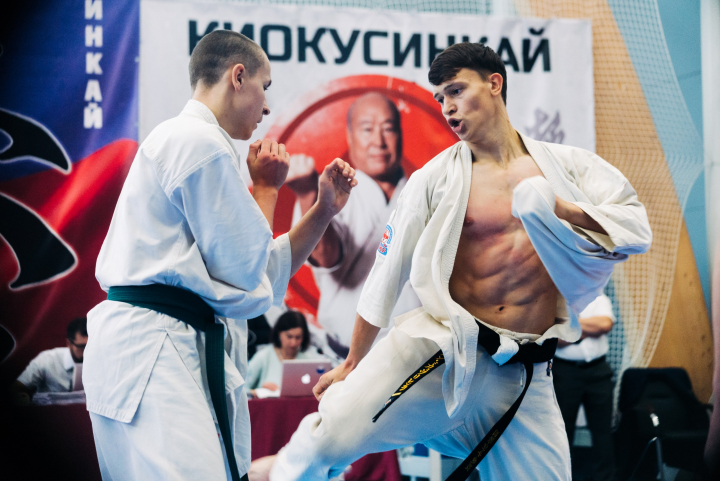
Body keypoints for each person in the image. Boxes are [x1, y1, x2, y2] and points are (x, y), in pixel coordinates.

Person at [267, 42, 652, 481]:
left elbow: (634, 225)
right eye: (439, 98)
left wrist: (559, 208)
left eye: (455, 90)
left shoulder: (567, 167)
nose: (447, 107)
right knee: (328, 437)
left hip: (524, 375)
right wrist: (353, 362)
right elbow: (386, 274)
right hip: (444, 352)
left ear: (494, 84)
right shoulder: (433, 179)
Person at [83, 30, 357, 481]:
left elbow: (264, 270)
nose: (267, 107)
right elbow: (246, 272)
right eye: (265, 87)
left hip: (147, 346)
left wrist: (324, 210)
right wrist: (266, 189)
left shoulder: (187, 139)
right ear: (238, 76)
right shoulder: (200, 143)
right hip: (155, 348)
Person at [285, 92, 420, 359]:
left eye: (388, 129)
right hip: (346, 356)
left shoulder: (425, 190)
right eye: (367, 129)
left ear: (400, 135)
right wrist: (309, 194)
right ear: (349, 136)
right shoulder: (328, 192)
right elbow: (325, 256)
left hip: (416, 355)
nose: (379, 141)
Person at [552, 293, 616, 480]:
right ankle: (563, 476)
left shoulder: (599, 298)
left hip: (598, 371)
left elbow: (605, 325)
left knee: (603, 430)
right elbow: (555, 339)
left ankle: (605, 478)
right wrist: (589, 328)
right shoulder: (554, 301)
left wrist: (570, 327)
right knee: (563, 429)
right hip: (565, 372)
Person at [10, 317, 87, 403]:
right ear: (69, 344)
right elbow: (16, 389)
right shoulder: (47, 359)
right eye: (82, 346)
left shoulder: (99, 360)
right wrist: (22, 398)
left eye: (92, 346)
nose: (88, 351)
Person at [246, 310, 316, 396]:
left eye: (298, 337)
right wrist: (258, 390)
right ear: (279, 333)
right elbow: (242, 389)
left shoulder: (308, 360)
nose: (293, 343)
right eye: (289, 336)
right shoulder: (263, 356)